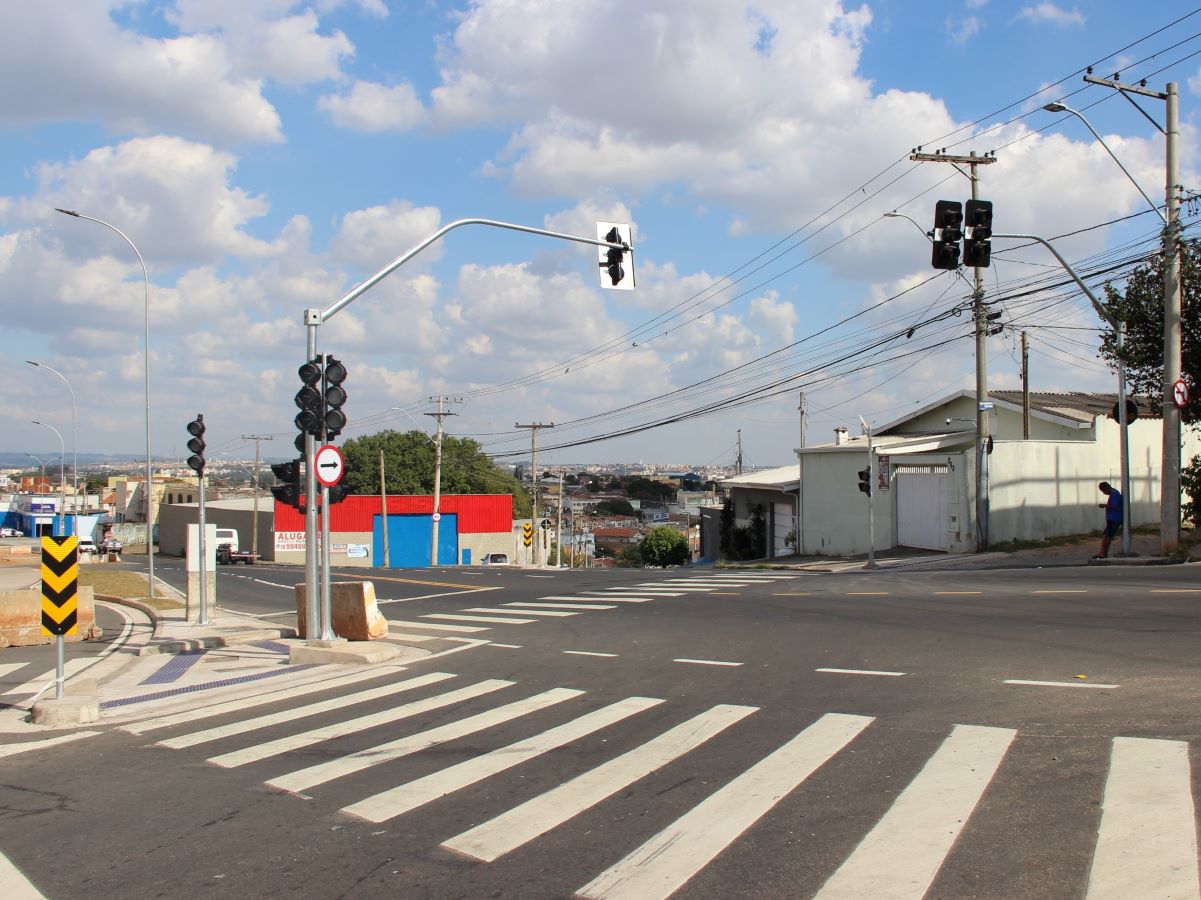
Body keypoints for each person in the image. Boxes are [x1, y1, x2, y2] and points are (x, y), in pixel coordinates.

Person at [1094, 481, 1123, 559]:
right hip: (1112, 518)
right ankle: (1102, 552)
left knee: (1108, 536)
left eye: (1103, 491)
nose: (1103, 493)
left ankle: (1104, 553)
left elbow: (1114, 506)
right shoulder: (1114, 493)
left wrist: (1104, 505)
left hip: (1115, 518)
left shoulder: (1114, 494)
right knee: (1106, 536)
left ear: (1106, 488)